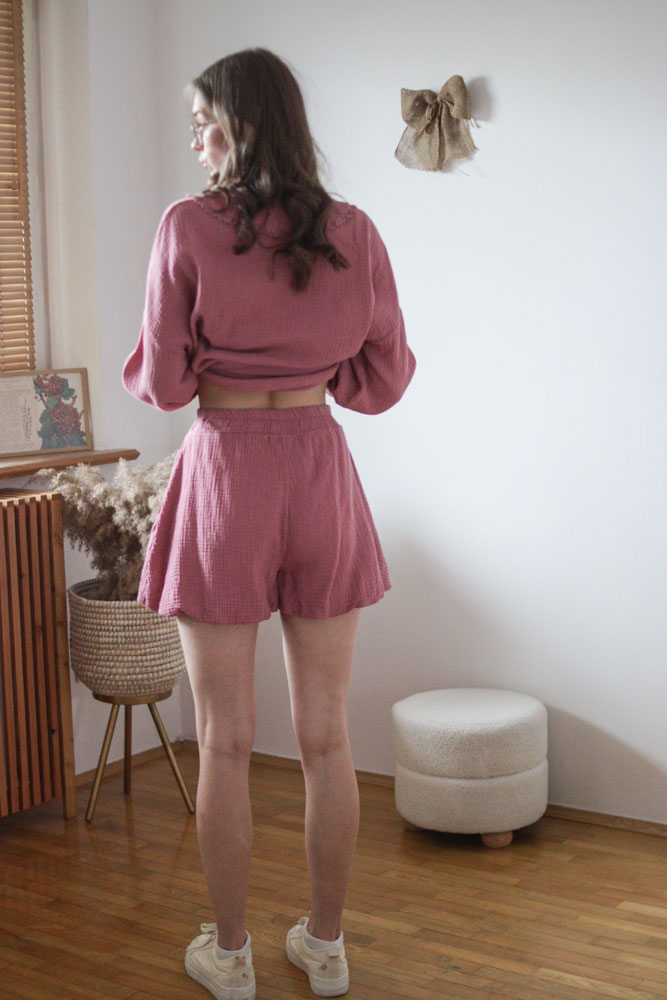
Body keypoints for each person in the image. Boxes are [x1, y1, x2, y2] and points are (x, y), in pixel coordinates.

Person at [121, 47, 416, 1000]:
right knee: (327, 736)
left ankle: (233, 955)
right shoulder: (353, 231)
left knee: (224, 739)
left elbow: (164, 381)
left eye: (201, 121)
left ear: (240, 123)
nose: (194, 140)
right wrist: (309, 362)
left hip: (226, 476)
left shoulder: (187, 226)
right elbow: (383, 380)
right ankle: (325, 949)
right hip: (319, 468)